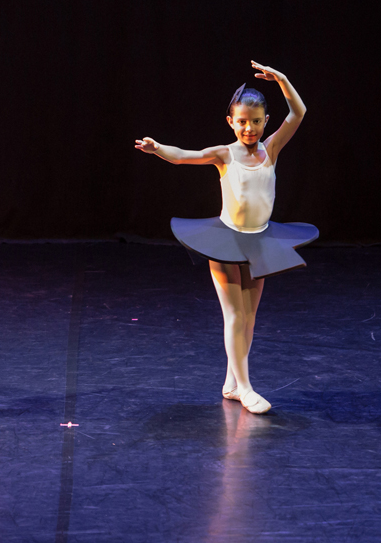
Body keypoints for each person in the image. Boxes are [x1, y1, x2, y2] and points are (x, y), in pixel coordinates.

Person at [135, 60, 316, 414]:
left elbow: (299, 111)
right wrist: (159, 149)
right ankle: (246, 388)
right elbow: (186, 156)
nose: (249, 128)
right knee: (234, 315)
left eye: (257, 121)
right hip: (226, 240)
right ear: (231, 122)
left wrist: (281, 78)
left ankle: (233, 382)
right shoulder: (225, 154)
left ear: (266, 121)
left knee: (249, 317)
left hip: (260, 240)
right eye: (242, 121)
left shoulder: (272, 150)